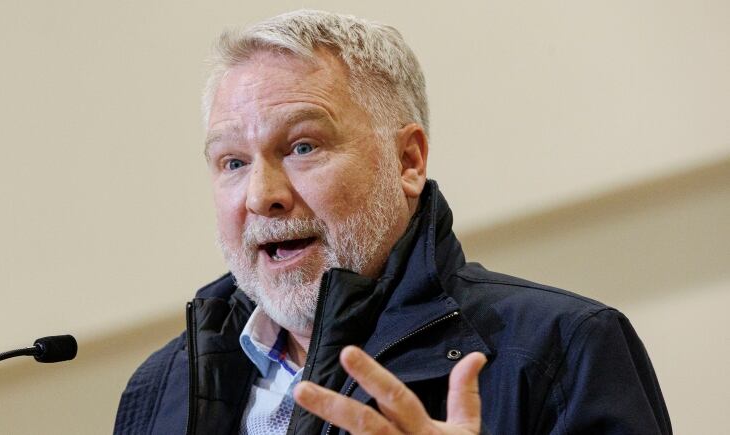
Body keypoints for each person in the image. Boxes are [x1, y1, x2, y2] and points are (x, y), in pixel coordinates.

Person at [114, 10, 671, 435]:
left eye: (303, 146)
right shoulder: (161, 387)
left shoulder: (563, 349)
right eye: (232, 162)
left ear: (408, 160)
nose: (262, 196)